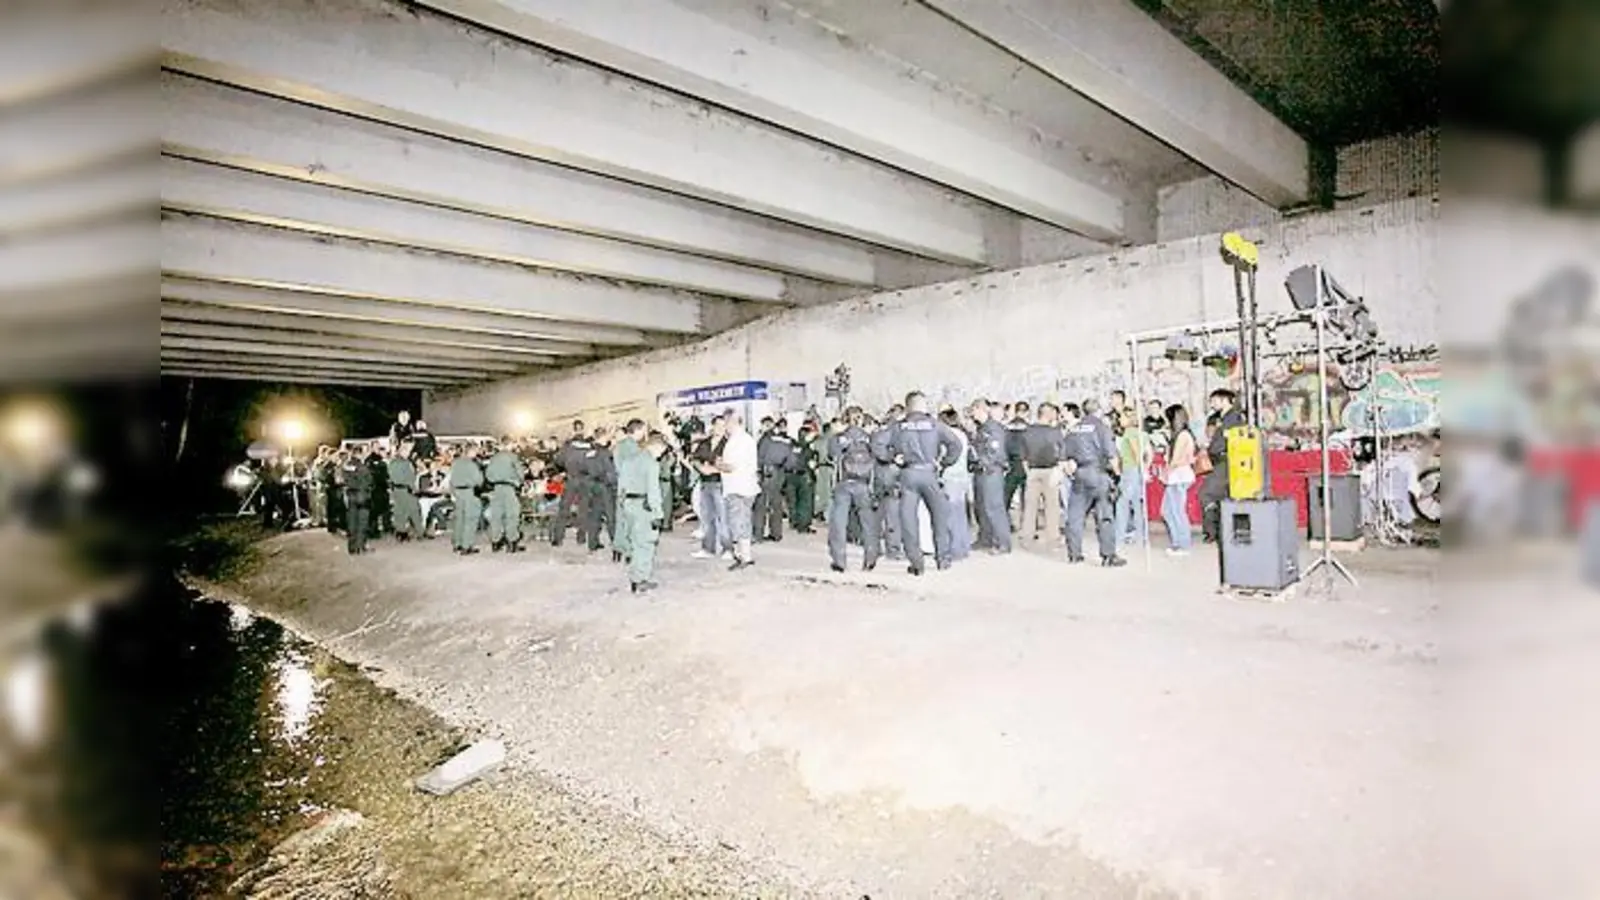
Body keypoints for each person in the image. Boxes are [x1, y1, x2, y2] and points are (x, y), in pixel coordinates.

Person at [883, 392, 963, 576]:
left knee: (909, 519)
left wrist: (892, 458)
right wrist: (943, 463)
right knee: (939, 516)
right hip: (930, 473)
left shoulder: (898, 426)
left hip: (908, 473)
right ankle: (943, 558)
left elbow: (877, 443)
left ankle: (916, 563)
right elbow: (956, 445)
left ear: (908, 406)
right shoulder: (935, 425)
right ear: (923, 405)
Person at [1064, 397, 1126, 567]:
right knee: (1104, 516)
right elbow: (1112, 455)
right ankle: (1108, 556)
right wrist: (1118, 475)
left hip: (1080, 475)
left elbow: (1067, 458)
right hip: (1099, 474)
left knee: (1075, 516)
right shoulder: (1102, 428)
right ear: (1098, 410)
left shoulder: (1074, 429)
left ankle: (1074, 554)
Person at [826, 406, 881, 572]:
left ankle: (839, 560)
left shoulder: (839, 438)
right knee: (868, 523)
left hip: (844, 483)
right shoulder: (870, 438)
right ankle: (870, 558)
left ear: (845, 419)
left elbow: (832, 456)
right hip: (864, 484)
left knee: (839, 523)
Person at [615, 426, 667, 593]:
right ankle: (640, 579)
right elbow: (653, 490)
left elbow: (621, 484)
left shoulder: (630, 460)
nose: (661, 455)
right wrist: (658, 513)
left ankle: (634, 576)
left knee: (634, 542)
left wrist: (622, 504)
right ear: (655, 446)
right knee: (646, 544)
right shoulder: (651, 463)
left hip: (629, 505)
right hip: (644, 507)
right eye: (661, 451)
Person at [1016, 403, 1067, 546]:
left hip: (1032, 471)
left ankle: (1027, 537)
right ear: (1048, 414)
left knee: (1030, 506)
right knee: (1051, 506)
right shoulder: (1054, 432)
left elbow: (1023, 456)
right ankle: (1053, 537)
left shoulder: (1027, 431)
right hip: (1050, 471)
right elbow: (1062, 453)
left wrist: (1029, 472)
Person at [967, 399, 1012, 555]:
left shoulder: (994, 428)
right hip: (980, 472)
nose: (972, 414)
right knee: (981, 507)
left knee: (994, 508)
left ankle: (1003, 543)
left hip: (991, 472)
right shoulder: (981, 428)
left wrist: (983, 461)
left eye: (973, 410)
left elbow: (995, 451)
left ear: (981, 409)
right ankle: (985, 538)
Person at [1200, 388, 1246, 543]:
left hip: (1227, 461)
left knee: (1206, 493)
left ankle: (1213, 531)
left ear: (1224, 400)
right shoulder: (1223, 418)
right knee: (1223, 497)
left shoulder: (1233, 418)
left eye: (1214, 400)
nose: (1212, 404)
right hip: (1222, 461)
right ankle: (1221, 531)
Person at [718, 412, 761, 571]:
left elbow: (731, 466)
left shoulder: (738, 441)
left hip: (737, 487)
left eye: (726, 423)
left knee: (737, 522)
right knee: (743, 521)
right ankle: (745, 554)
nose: (725, 427)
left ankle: (743, 556)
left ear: (732, 422)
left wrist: (718, 465)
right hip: (746, 486)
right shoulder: (746, 439)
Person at [690, 415, 730, 560]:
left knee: (723, 517)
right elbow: (694, 458)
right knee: (707, 517)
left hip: (720, 483)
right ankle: (708, 548)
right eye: (718, 425)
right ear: (712, 426)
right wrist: (701, 468)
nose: (720, 429)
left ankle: (728, 549)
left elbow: (731, 465)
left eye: (723, 425)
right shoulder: (705, 443)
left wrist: (713, 469)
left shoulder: (728, 444)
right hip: (705, 483)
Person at [870, 404, 907, 561]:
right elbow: (878, 450)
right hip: (888, 478)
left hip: (886, 477)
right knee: (892, 515)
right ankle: (892, 549)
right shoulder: (889, 432)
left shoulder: (887, 432)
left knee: (881, 515)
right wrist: (893, 456)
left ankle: (877, 547)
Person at [549, 421, 593, 548]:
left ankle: (558, 538)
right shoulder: (589, 445)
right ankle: (581, 537)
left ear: (573, 430)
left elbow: (558, 460)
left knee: (564, 509)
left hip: (571, 479)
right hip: (585, 479)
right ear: (583, 430)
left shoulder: (568, 445)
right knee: (583, 509)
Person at [1161, 404, 1198, 555]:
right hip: (1179, 475)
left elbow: (1176, 459)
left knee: (1176, 511)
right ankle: (1178, 542)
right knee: (1168, 510)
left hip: (1179, 476)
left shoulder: (1182, 435)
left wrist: (1166, 472)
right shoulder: (1184, 434)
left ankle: (1183, 544)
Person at [938, 407, 973, 562]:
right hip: (962, 477)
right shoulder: (963, 435)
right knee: (961, 514)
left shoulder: (947, 436)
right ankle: (963, 546)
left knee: (950, 515)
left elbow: (944, 455)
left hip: (949, 477)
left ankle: (955, 549)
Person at [1112, 409, 1151, 548]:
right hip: (1137, 470)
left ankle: (1119, 537)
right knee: (1137, 504)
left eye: (1122, 417)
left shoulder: (1129, 433)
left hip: (1130, 470)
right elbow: (1148, 453)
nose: (1119, 420)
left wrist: (1139, 467)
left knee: (1122, 503)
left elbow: (1136, 452)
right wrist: (1145, 469)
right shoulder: (1143, 434)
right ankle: (1141, 536)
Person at [755, 417, 795, 541]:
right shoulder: (787, 440)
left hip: (766, 472)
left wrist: (758, 470)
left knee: (761, 504)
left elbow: (759, 455)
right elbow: (791, 460)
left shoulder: (766, 438)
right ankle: (776, 533)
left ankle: (758, 533)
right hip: (780, 472)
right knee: (776, 504)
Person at [483, 438, 527, 553]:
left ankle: (496, 541)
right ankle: (512, 541)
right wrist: (518, 481)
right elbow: (520, 473)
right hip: (509, 487)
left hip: (496, 488)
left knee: (496, 515)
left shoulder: (494, 457)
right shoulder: (512, 456)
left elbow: (488, 475)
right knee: (512, 514)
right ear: (509, 444)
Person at [448, 443, 485, 555]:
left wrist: (453, 492)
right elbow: (479, 480)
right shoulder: (471, 464)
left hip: (458, 492)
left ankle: (457, 543)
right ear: (471, 451)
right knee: (470, 518)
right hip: (469, 492)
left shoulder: (456, 462)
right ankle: (467, 545)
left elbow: (451, 479)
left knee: (459, 518)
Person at [387, 442, 424, 541]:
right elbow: (410, 477)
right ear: (403, 451)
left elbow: (391, 477)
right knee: (414, 510)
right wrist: (415, 489)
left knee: (400, 512)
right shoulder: (406, 463)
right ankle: (420, 532)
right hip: (407, 490)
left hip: (397, 490)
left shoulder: (392, 462)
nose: (409, 453)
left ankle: (401, 532)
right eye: (408, 451)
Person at [788, 421, 819, 533]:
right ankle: (804, 525)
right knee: (805, 502)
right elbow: (812, 464)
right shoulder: (808, 449)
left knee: (794, 501)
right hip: (804, 475)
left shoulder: (792, 445)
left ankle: (795, 521)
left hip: (791, 475)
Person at [341, 444, 373, 555]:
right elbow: (368, 481)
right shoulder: (362, 467)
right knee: (362, 522)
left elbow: (344, 479)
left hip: (351, 495)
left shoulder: (346, 465)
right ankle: (360, 546)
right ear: (359, 453)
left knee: (352, 522)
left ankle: (351, 547)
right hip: (362, 495)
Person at [1003, 401, 1030, 517]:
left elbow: (1004, 444)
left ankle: (1004, 521)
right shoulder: (1029, 428)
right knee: (1027, 498)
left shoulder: (1007, 427)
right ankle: (1027, 523)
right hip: (1025, 463)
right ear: (1027, 412)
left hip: (1011, 464)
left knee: (1006, 496)